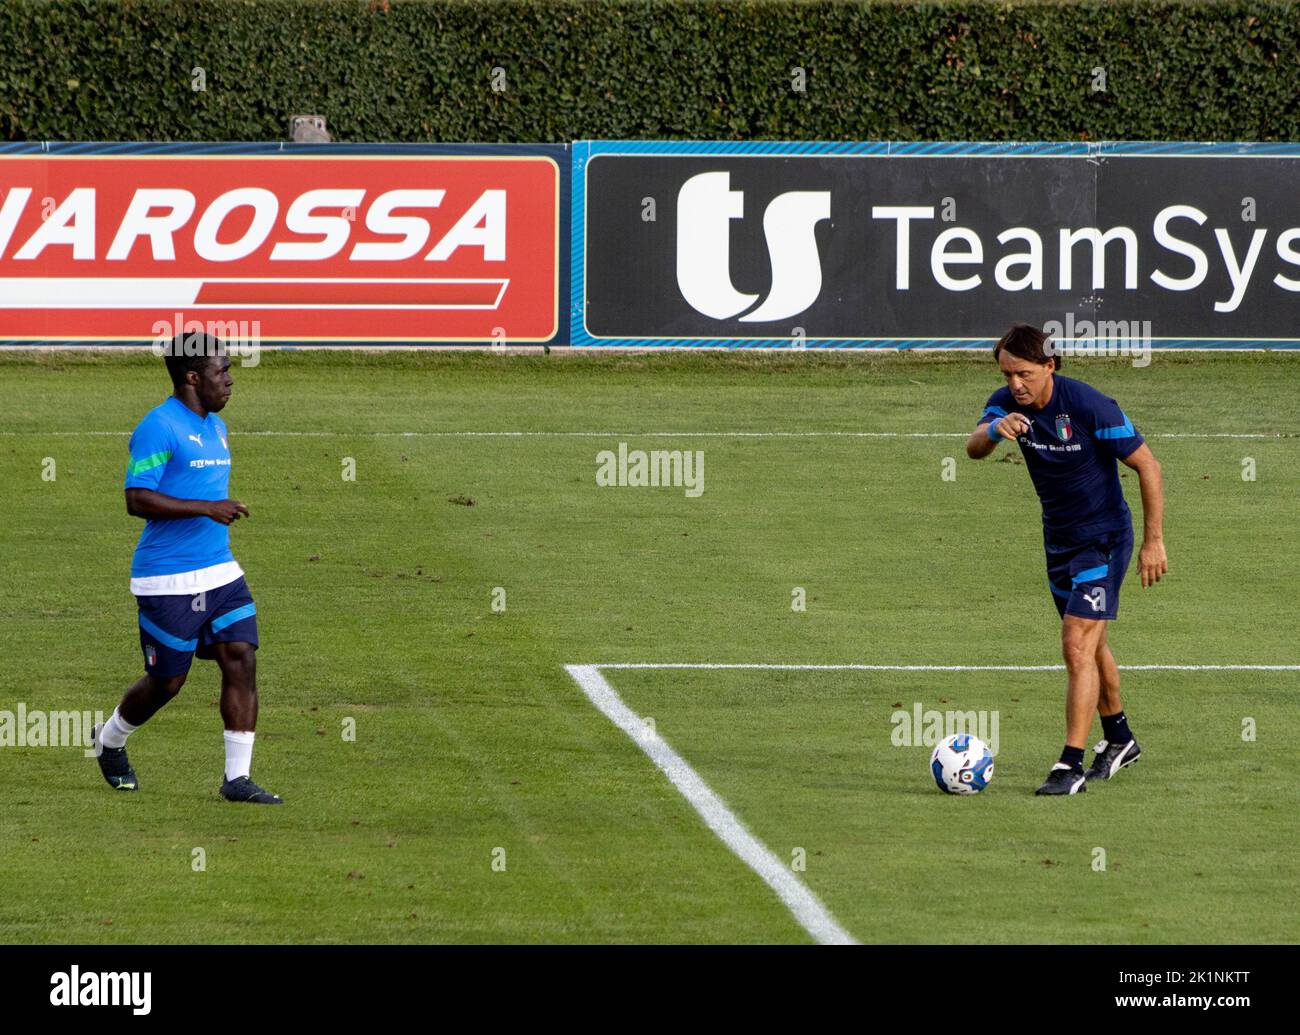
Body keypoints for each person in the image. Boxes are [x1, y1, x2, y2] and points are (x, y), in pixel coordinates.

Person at [966, 324, 1167, 796]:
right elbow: (973, 448)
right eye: (1008, 374)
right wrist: (996, 429)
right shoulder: (1006, 403)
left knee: (1076, 643)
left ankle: (1070, 765)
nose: (1016, 383)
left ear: (1050, 366)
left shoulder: (1088, 405)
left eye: (1025, 373)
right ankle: (1120, 738)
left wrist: (1153, 541)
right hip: (1059, 545)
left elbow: (1148, 465)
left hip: (1105, 541)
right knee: (1092, 645)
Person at [93, 332, 281, 804]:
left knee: (241, 657)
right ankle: (110, 739)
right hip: (167, 576)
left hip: (220, 571)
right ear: (193, 377)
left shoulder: (215, 425)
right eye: (222, 371)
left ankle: (236, 779)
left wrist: (210, 512)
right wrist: (206, 507)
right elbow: (136, 499)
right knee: (168, 683)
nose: (231, 380)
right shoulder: (159, 427)